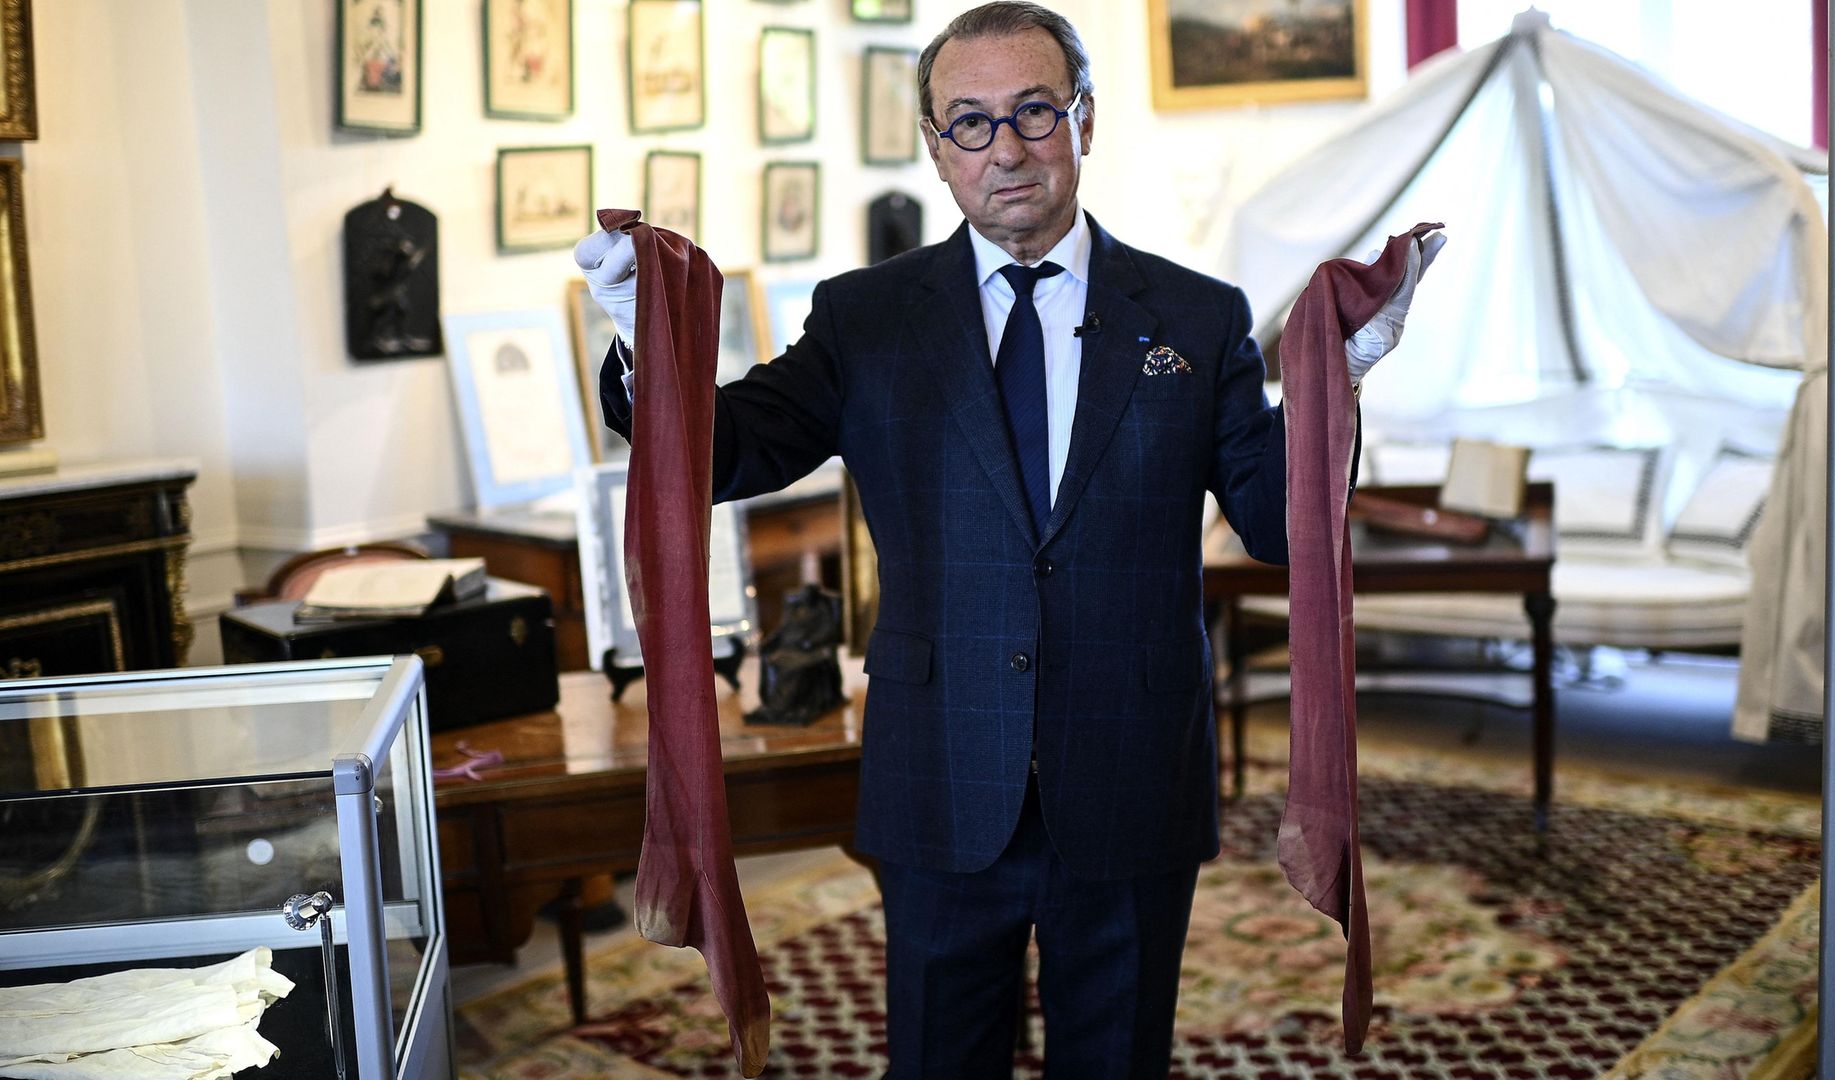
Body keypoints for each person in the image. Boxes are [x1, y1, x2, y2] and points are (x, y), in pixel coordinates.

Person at [573, 4, 1439, 1075]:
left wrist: (1334, 388)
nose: (1007, 149)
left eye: (1035, 111)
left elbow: (1274, 525)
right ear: (936, 148)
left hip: (1131, 769)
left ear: (1085, 119)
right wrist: (639, 338)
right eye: (971, 123)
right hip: (939, 772)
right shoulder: (865, 318)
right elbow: (725, 452)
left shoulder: (1196, 316)